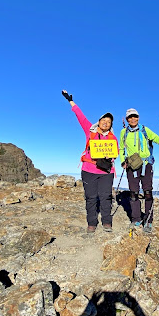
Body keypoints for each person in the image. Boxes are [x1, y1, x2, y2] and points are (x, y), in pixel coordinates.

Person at [62, 90, 118, 234]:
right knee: (91, 197)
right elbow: (80, 115)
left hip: (106, 171)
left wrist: (112, 156)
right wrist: (71, 101)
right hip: (89, 170)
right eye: (104, 120)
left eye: (109, 122)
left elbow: (115, 153)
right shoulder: (90, 130)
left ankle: (107, 222)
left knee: (106, 196)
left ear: (110, 125)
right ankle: (91, 223)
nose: (106, 123)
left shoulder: (113, 138)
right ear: (98, 121)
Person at [119, 108, 159, 233]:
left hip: (146, 164)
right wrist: (123, 161)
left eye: (135, 116)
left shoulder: (145, 130)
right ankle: (136, 219)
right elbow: (121, 149)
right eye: (130, 117)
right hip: (131, 165)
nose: (133, 119)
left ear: (138, 117)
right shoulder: (124, 132)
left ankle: (148, 220)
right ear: (127, 119)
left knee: (147, 192)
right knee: (133, 193)